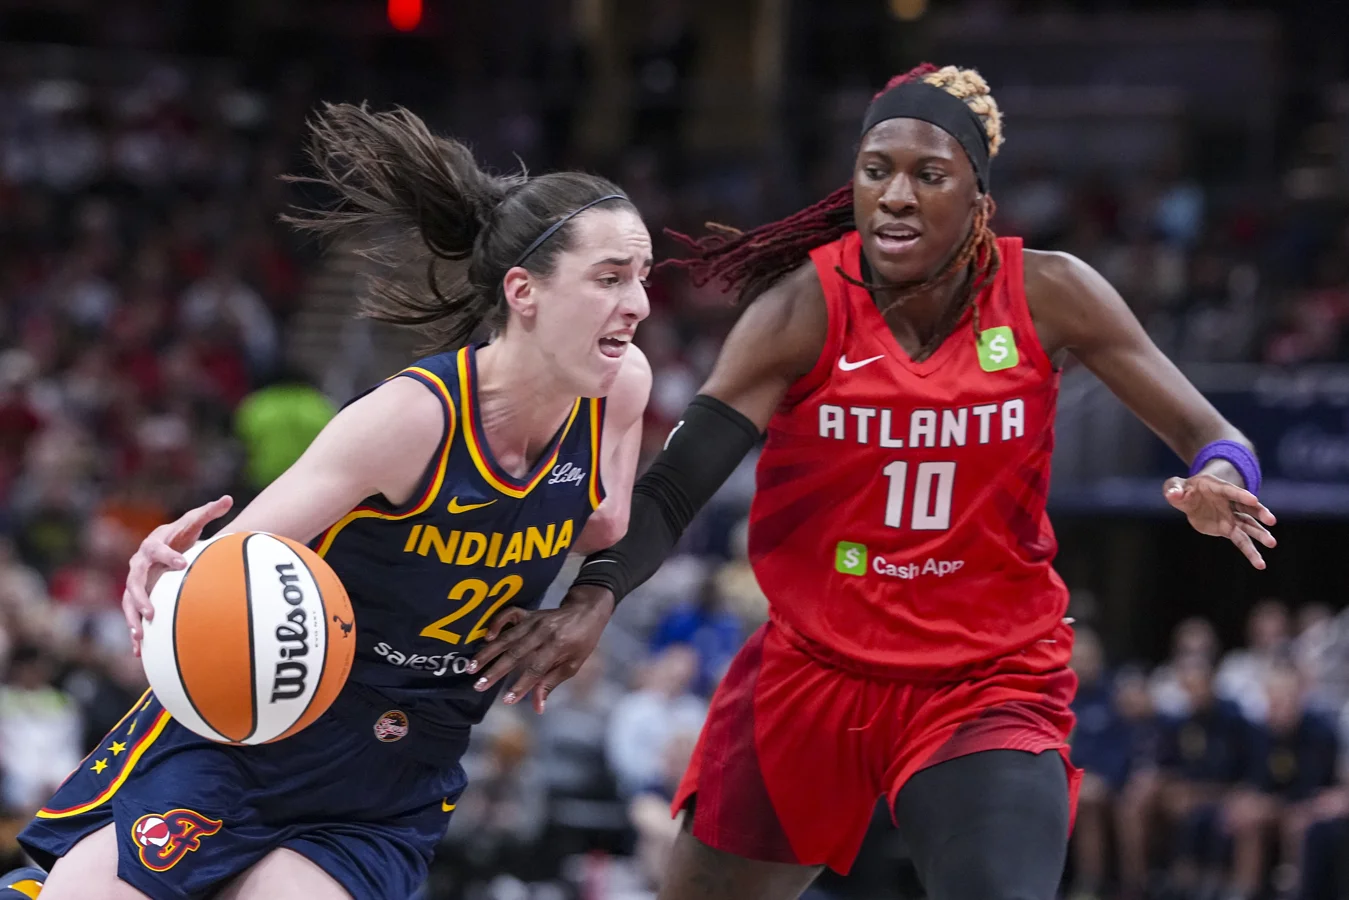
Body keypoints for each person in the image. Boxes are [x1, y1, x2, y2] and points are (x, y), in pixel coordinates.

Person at [469, 63, 1278, 900]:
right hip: (812, 674)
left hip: (985, 679)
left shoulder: (1051, 293)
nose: (895, 195)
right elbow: (675, 488)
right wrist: (594, 598)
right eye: (875, 170)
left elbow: (1211, 433)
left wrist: (1219, 475)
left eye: (928, 175)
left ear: (978, 197)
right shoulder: (800, 311)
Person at [12, 103, 652, 900]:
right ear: (523, 291)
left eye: (642, 277)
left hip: (398, 768)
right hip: (258, 729)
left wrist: (585, 604)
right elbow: (228, 560)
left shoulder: (619, 388)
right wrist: (173, 565)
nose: (638, 303)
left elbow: (608, 520)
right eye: (609, 278)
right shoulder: (412, 420)